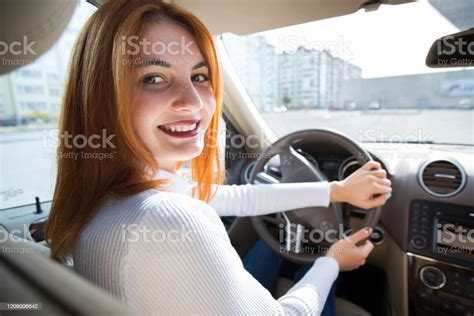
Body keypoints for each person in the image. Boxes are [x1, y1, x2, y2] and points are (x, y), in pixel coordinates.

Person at [45, 0, 392, 314]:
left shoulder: (106, 197)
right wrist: (331, 263)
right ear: (99, 97)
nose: (193, 102)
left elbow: (239, 196)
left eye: (199, 76)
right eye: (153, 78)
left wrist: (337, 191)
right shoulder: (170, 219)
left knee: (270, 248)